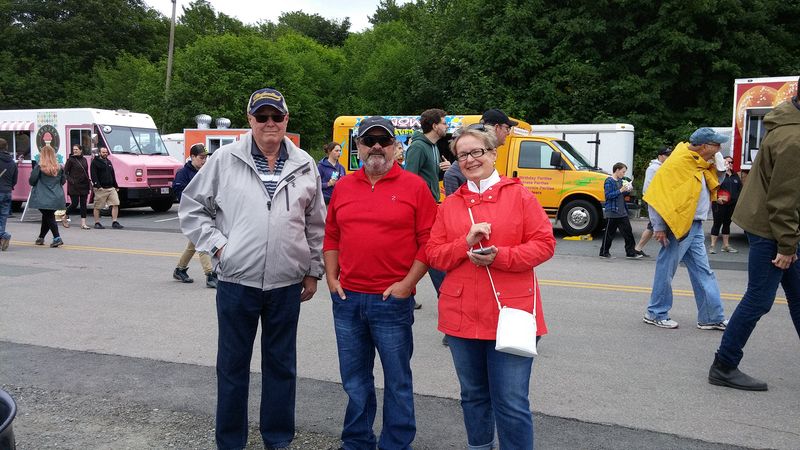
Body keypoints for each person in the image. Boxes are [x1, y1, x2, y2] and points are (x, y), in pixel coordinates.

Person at [179, 87, 326, 449]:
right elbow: (192, 208)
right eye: (262, 117)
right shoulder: (224, 159)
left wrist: (312, 269)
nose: (270, 123)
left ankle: (277, 440)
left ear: (286, 119)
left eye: (276, 116)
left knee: (281, 368)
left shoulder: (304, 163)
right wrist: (219, 246)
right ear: (250, 120)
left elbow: (315, 223)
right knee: (232, 369)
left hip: (285, 285)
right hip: (236, 281)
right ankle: (231, 442)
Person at [427, 125, 556, 450]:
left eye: (476, 152)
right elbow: (434, 255)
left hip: (510, 314)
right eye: (462, 155)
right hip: (462, 318)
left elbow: (544, 245)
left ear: (492, 153)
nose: (470, 159)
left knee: (511, 402)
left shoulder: (520, 195)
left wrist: (501, 256)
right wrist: (464, 243)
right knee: (472, 396)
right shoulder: (451, 204)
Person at [323, 116, 437, 450]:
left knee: (398, 380)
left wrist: (407, 284)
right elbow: (331, 235)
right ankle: (357, 441)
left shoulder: (415, 187)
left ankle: (396, 443)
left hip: (392, 301)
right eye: (368, 140)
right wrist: (331, 276)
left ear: (395, 147)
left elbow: (428, 242)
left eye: (383, 141)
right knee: (355, 381)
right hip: (347, 300)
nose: (376, 146)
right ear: (356, 146)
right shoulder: (343, 186)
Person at [709, 87, 800, 391]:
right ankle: (724, 365)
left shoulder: (787, 123)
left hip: (778, 225)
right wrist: (787, 245)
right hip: (771, 228)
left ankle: (725, 363)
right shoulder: (794, 139)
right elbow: (783, 200)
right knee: (759, 299)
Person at [642, 127, 729, 329]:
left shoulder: (699, 164)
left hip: (695, 224)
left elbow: (714, 182)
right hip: (677, 224)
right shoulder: (678, 163)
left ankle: (711, 317)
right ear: (705, 146)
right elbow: (656, 195)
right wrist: (659, 226)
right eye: (716, 145)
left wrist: (720, 166)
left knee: (703, 272)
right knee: (667, 269)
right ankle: (655, 312)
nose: (719, 148)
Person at [405, 108, 451, 310]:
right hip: (420, 210)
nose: (446, 126)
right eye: (444, 123)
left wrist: (444, 172)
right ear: (434, 126)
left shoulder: (433, 147)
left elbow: (430, 178)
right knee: (431, 255)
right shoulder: (418, 147)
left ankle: (406, 294)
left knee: (416, 254)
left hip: (431, 205)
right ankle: (449, 301)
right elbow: (409, 180)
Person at [443, 109, 518, 196]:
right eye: (507, 128)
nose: (508, 133)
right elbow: (451, 176)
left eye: (477, 152)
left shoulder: (518, 194)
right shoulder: (454, 175)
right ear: (497, 127)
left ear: (493, 154)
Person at [172, 143, 216, 288]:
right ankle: (210, 275)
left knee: (194, 244)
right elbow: (179, 191)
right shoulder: (183, 173)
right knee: (202, 242)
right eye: (201, 157)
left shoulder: (204, 172)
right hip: (191, 213)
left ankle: (180, 269)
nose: (204, 161)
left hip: (204, 212)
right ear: (192, 157)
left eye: (205, 158)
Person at [634, 146, 672, 257]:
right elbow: (648, 187)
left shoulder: (663, 167)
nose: (668, 157)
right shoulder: (654, 168)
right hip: (653, 200)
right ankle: (639, 248)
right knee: (655, 225)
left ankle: (638, 248)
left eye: (670, 155)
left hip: (659, 200)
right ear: (660, 156)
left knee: (653, 225)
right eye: (666, 155)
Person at [599, 162, 641, 259]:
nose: (623, 174)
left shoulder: (621, 181)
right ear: (617, 170)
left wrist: (627, 190)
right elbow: (608, 196)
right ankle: (604, 252)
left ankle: (630, 252)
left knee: (628, 233)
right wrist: (621, 190)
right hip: (613, 211)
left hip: (622, 211)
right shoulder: (609, 181)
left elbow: (621, 194)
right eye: (623, 172)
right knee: (609, 234)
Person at [28, 145, 66, 247]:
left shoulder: (39, 167)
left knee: (49, 216)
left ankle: (57, 238)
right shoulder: (59, 168)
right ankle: (41, 238)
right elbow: (63, 181)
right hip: (57, 196)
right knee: (47, 216)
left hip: (43, 196)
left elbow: (32, 181)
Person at [708, 155, 742, 254]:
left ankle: (726, 245)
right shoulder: (718, 175)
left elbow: (739, 189)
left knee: (727, 224)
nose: (730, 164)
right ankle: (712, 246)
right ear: (723, 163)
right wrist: (716, 198)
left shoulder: (735, 176)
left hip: (731, 204)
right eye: (727, 162)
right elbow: (712, 187)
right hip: (719, 204)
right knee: (717, 224)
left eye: (731, 162)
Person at [90, 146, 123, 229]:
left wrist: (116, 185)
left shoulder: (108, 162)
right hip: (101, 188)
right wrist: (97, 185)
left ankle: (114, 222)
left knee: (115, 203)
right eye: (103, 152)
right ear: (100, 153)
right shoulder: (95, 162)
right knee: (98, 206)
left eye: (106, 152)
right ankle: (97, 223)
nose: (105, 154)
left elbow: (113, 174)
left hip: (111, 188)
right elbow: (93, 175)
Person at [63, 144, 91, 230]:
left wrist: (89, 181)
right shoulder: (70, 160)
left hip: (84, 185)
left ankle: (83, 223)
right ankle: (64, 217)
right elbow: (65, 173)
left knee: (83, 204)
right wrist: (71, 181)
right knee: (74, 203)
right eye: (74, 149)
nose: (75, 151)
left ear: (81, 150)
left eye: (76, 149)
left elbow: (86, 171)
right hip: (74, 185)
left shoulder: (84, 159)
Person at [0, 138, 18, 251]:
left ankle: (4, 235)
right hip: (7, 191)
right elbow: (15, 179)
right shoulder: (12, 162)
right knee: (3, 217)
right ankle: (2, 238)